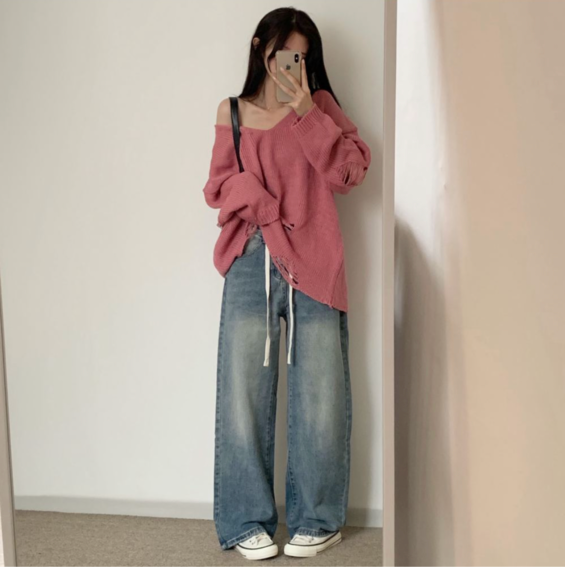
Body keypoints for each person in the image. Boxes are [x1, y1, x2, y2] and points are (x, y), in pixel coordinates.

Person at [202, 7, 372, 561]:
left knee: (321, 393)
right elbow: (218, 187)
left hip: (315, 261)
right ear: (260, 48)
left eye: (301, 57)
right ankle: (243, 520)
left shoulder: (318, 108)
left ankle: (318, 518)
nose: (291, 66)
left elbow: (349, 173)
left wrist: (306, 114)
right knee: (242, 394)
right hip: (251, 258)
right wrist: (262, 204)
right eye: (283, 55)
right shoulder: (232, 113)